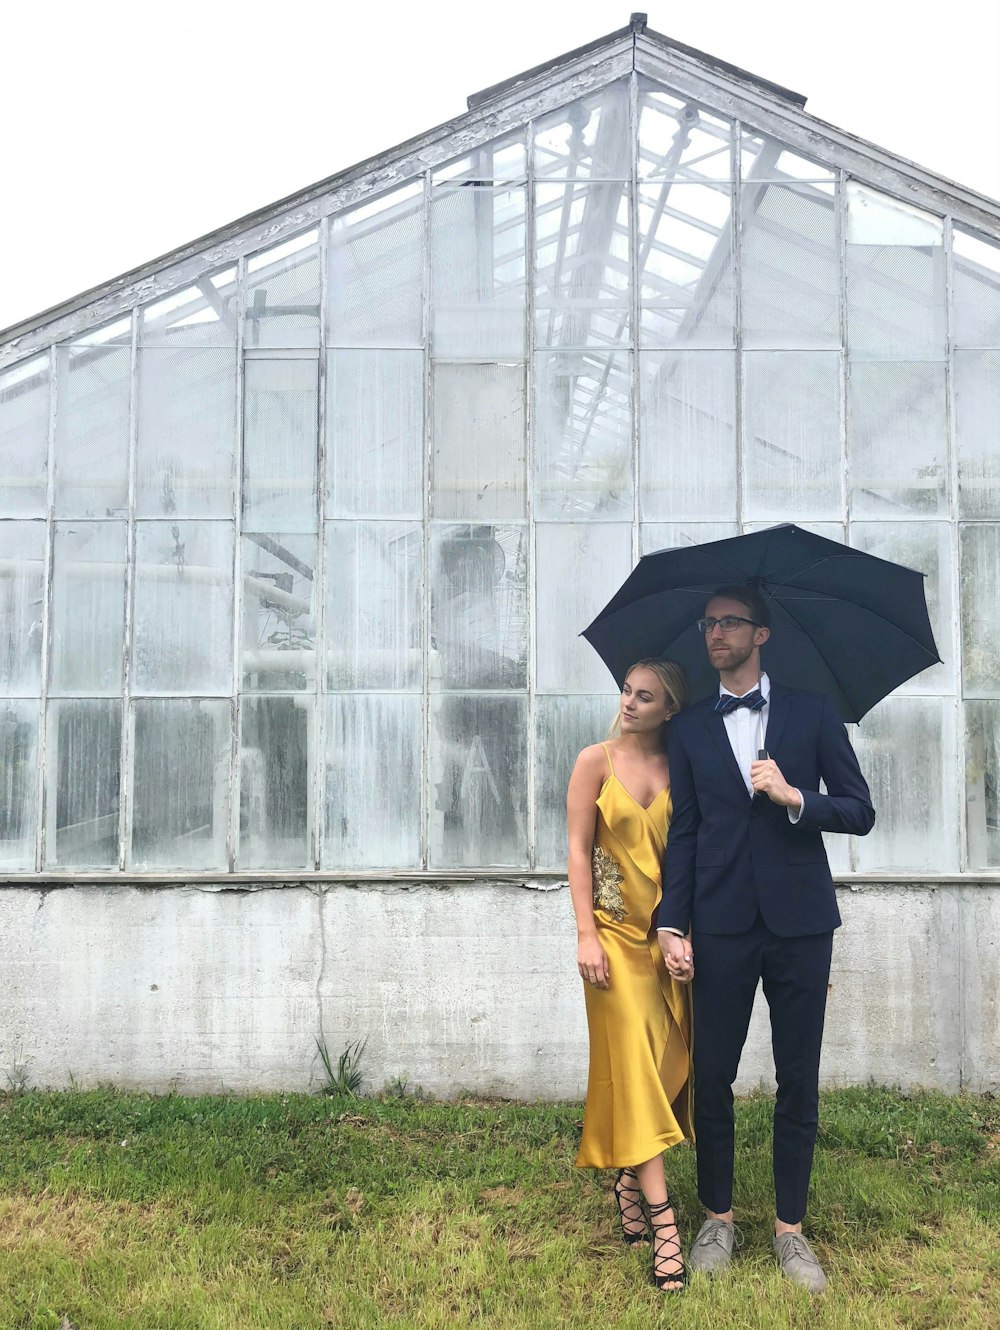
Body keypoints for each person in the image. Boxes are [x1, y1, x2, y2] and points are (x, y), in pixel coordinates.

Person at [657, 585, 875, 1294]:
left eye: (729, 623)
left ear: (762, 634)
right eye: (708, 623)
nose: (714, 634)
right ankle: (717, 1218)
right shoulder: (688, 728)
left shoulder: (812, 712)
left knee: (797, 1078)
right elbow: (684, 831)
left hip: (801, 925)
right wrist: (670, 920)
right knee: (712, 1076)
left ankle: (790, 1230)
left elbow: (860, 810)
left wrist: (795, 799)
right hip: (718, 923)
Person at [567, 658, 693, 1293]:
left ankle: (626, 1174)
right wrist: (585, 934)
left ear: (669, 709)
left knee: (672, 1065)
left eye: (645, 697)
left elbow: (689, 858)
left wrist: (681, 933)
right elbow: (576, 852)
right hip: (611, 943)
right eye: (626, 691)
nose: (629, 703)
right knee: (637, 1074)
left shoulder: (679, 770)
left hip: (661, 944)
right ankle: (665, 1222)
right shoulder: (595, 761)